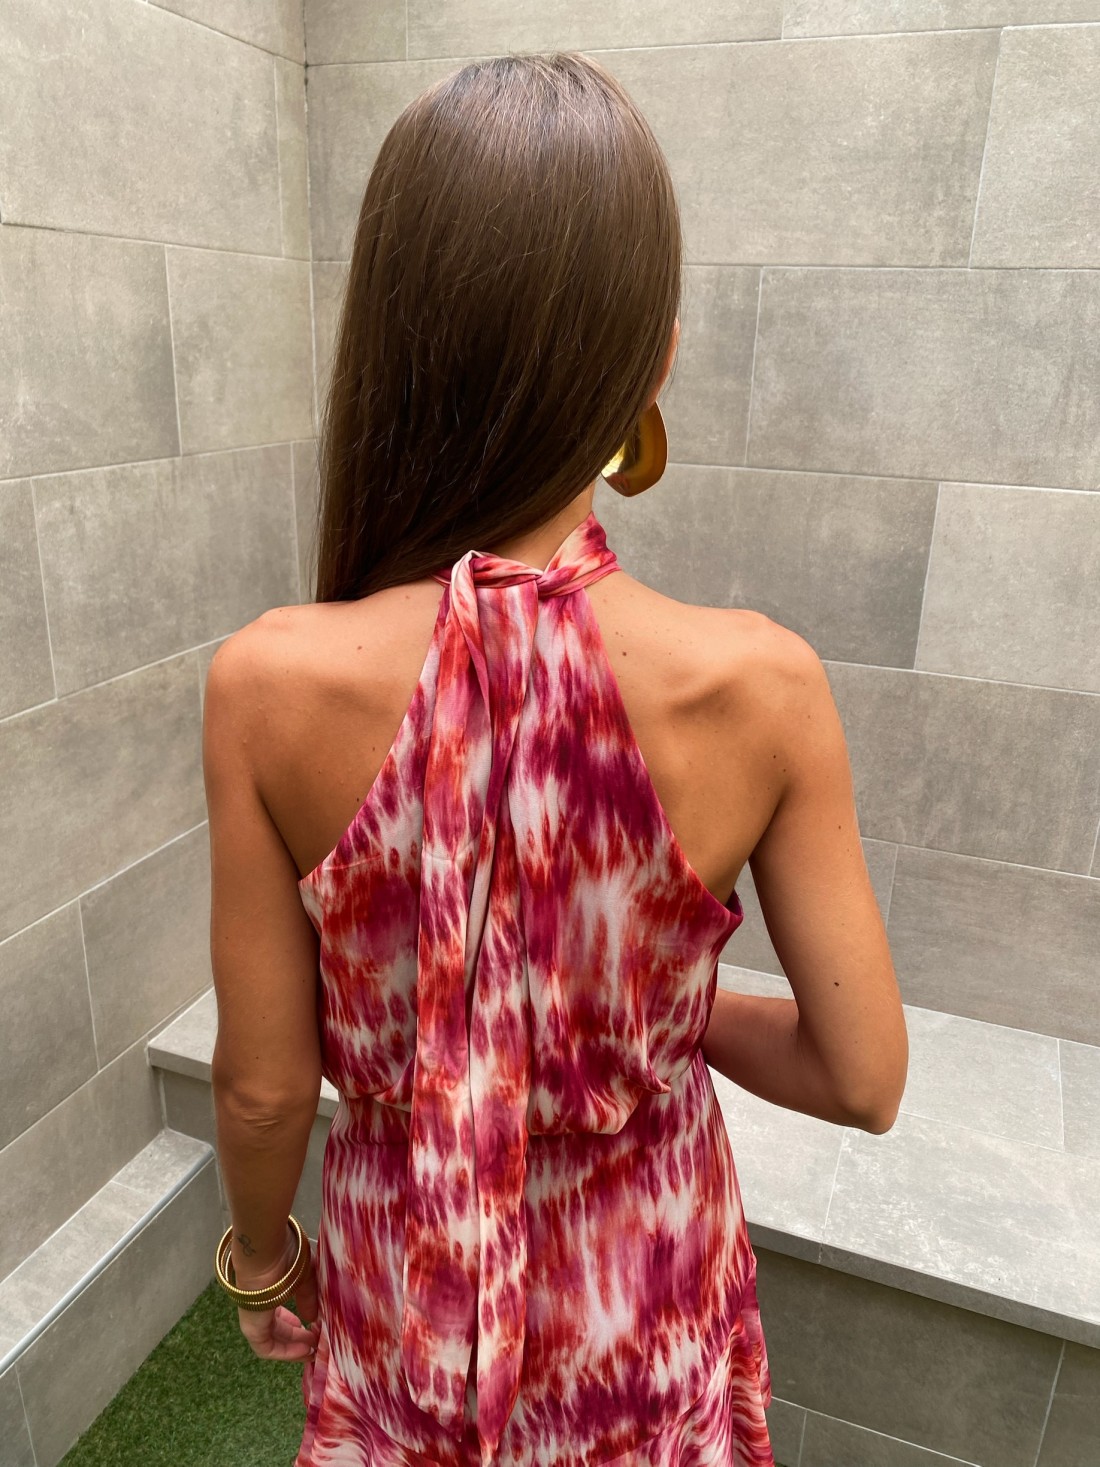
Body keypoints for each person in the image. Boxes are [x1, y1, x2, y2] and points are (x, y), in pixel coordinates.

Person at [201, 51, 909, 1467]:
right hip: (645, 1328)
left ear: (388, 340)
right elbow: (861, 1077)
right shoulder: (759, 687)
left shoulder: (269, 685)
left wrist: (265, 1263)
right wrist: (652, 1010)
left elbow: (266, 1089)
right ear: (655, 360)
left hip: (409, 1321)